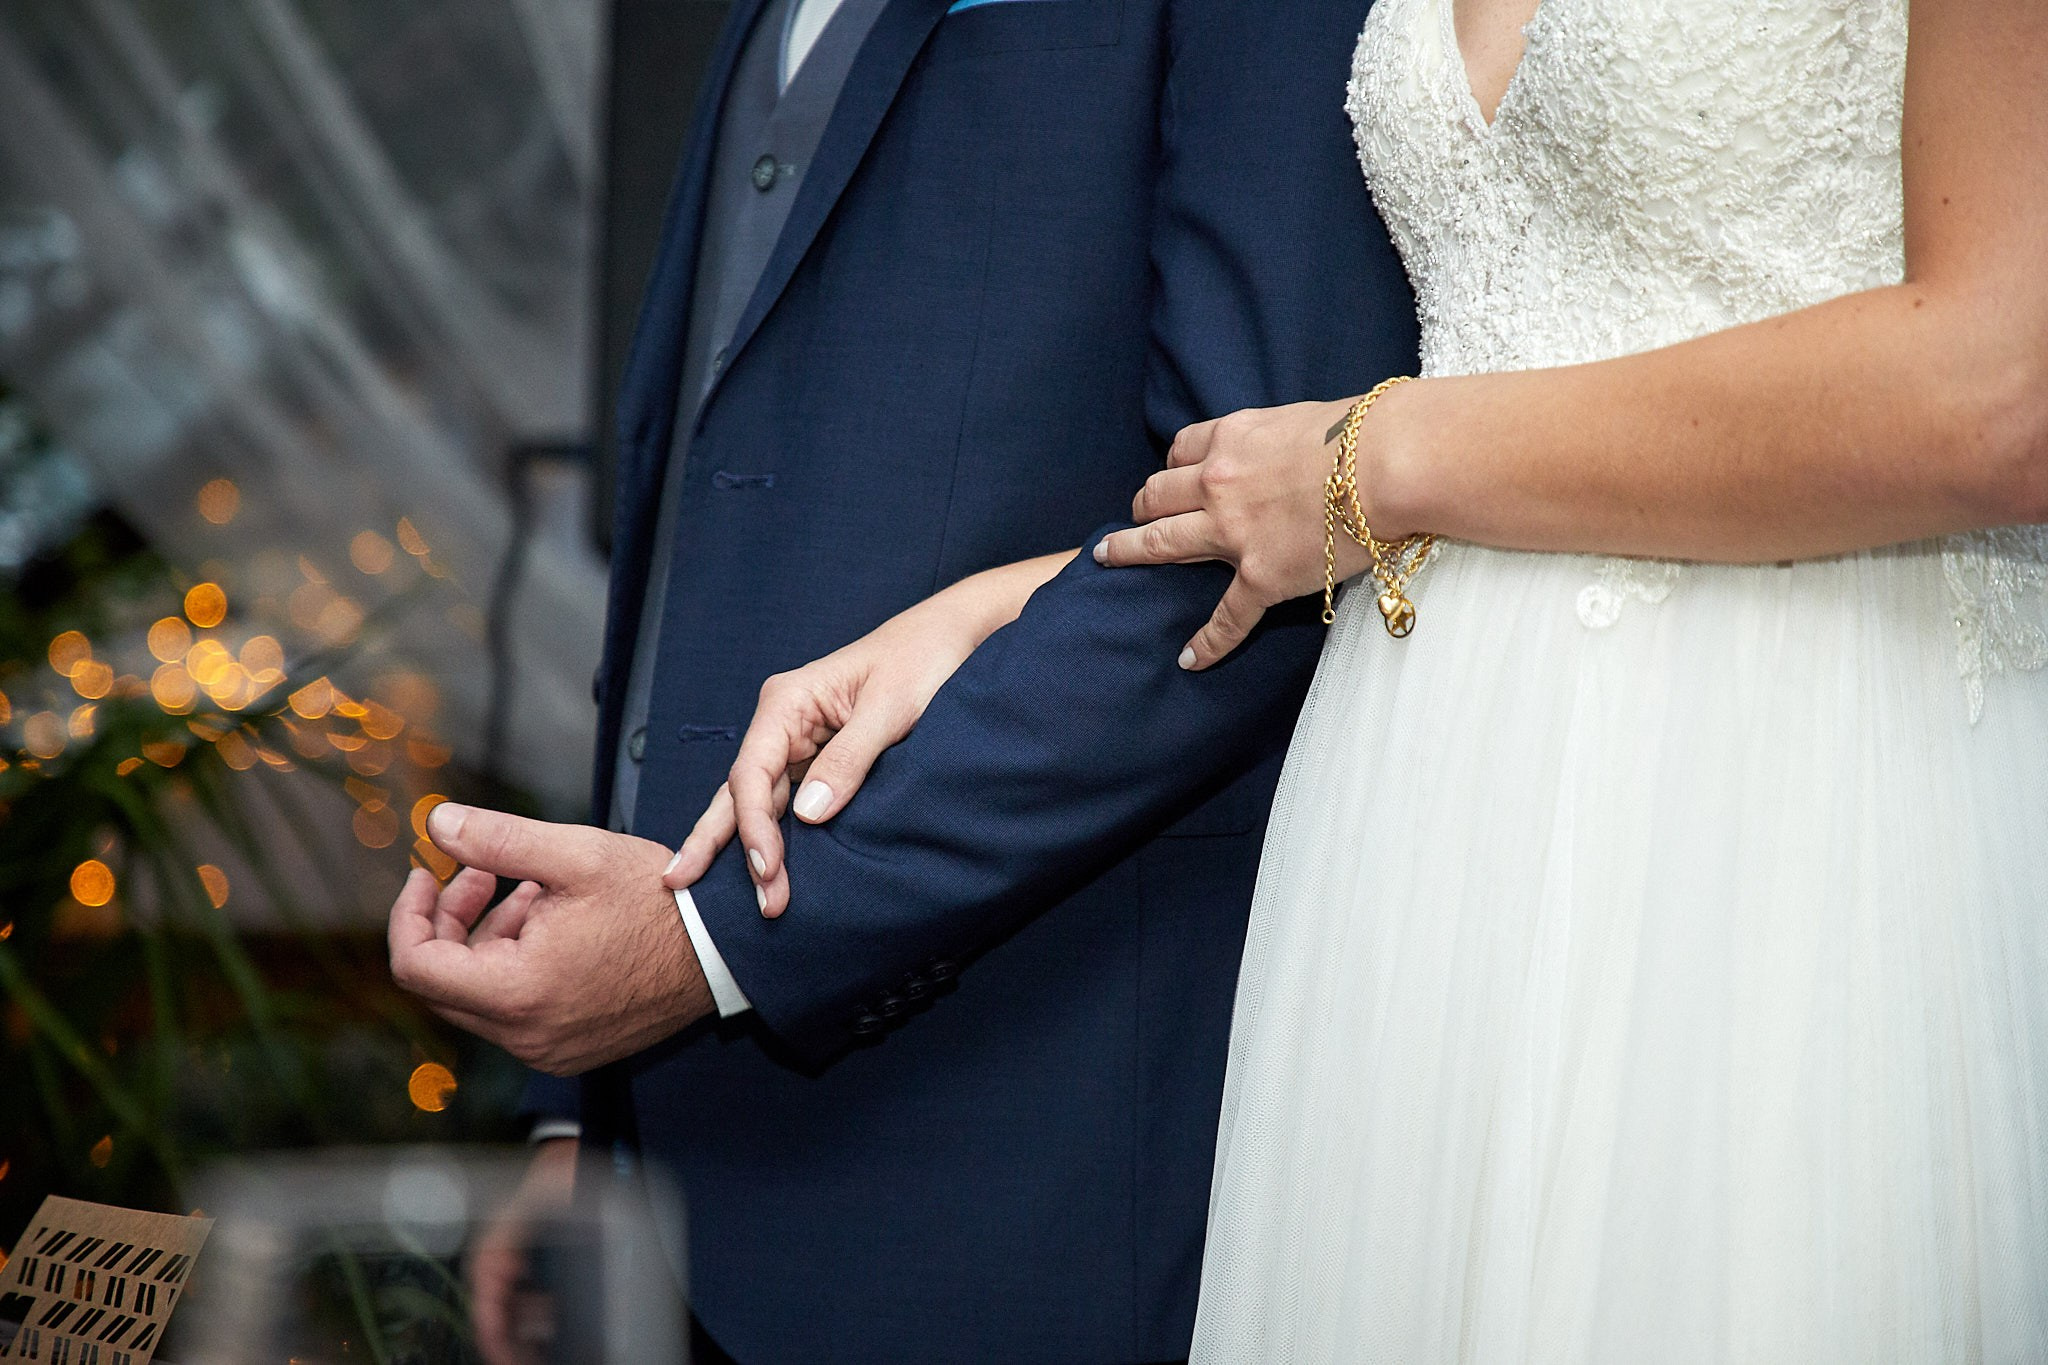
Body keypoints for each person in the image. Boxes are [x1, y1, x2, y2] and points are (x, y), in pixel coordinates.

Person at [386, 1, 1420, 1362]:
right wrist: (582, 1102)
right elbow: (714, 491)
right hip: (665, 1182)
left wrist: (711, 945)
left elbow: (1259, 542)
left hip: (1015, 1140)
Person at [1079, 0, 2044, 1355]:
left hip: (1793, 806)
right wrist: (975, 621)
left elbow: (2005, 391)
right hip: (1418, 825)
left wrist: (1393, 456)